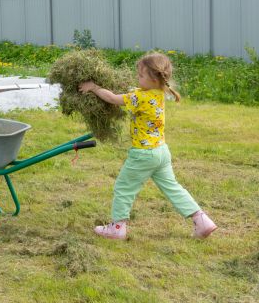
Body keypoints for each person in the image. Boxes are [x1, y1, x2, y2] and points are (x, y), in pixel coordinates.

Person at [78, 52, 216, 240]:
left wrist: (93, 87)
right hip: (161, 151)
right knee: (173, 188)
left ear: (153, 79)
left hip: (143, 154)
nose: (138, 77)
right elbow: (136, 91)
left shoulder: (139, 97)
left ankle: (117, 228)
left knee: (123, 187)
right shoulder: (158, 93)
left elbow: (112, 99)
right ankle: (202, 220)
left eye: (141, 75)